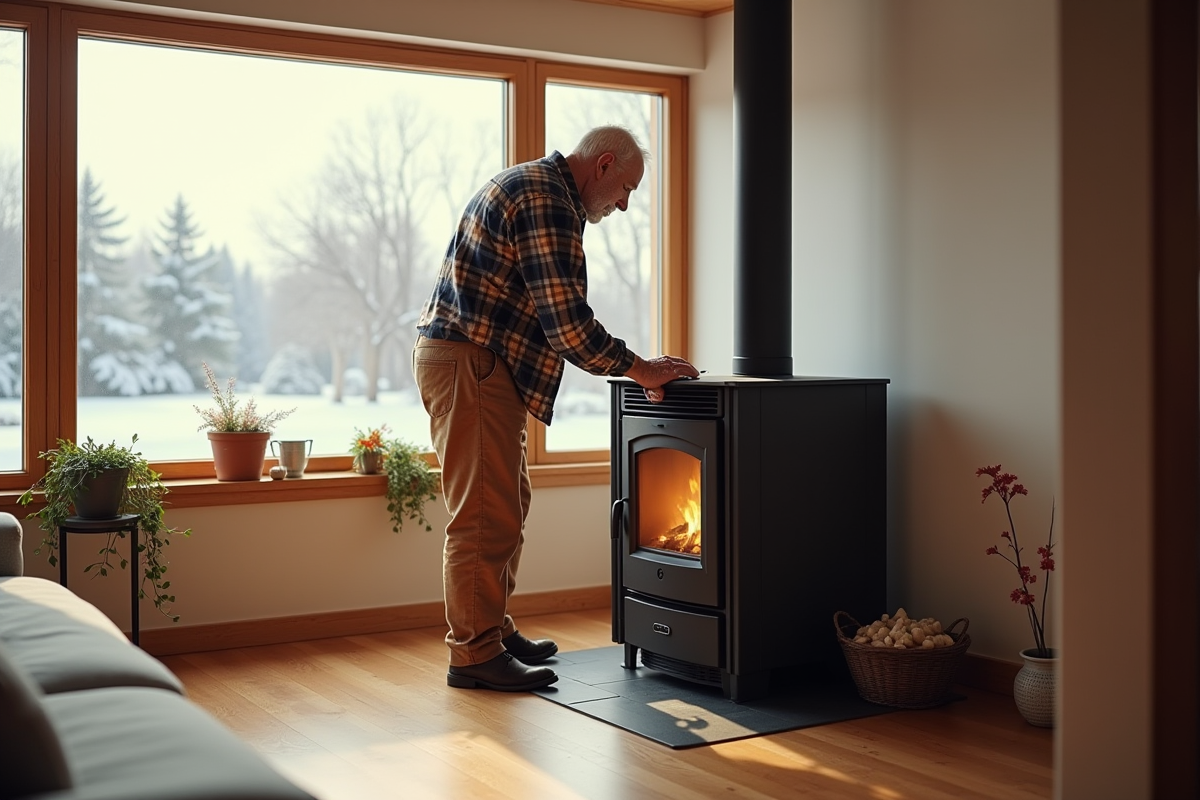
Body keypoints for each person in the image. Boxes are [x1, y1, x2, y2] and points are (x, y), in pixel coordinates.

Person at [412, 125, 699, 692]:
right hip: (472, 363)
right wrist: (641, 368)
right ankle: (473, 655)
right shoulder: (546, 199)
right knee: (483, 517)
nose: (623, 204)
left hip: (482, 363)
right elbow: (567, 324)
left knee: (507, 504)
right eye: (627, 189)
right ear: (604, 163)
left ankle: (490, 630)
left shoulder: (541, 189)